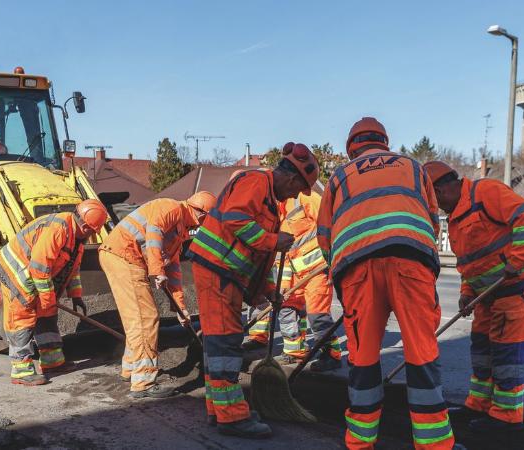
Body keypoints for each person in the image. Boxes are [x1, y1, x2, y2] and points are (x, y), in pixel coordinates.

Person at [317, 118, 457, 449]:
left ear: (351, 147)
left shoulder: (340, 176)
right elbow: (431, 220)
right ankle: (434, 443)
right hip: (411, 261)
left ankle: (360, 442)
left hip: (357, 270)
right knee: (421, 351)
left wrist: (342, 272)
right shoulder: (413, 167)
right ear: (384, 141)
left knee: (364, 356)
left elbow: (325, 237)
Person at [187, 142, 318, 439]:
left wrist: (267, 292)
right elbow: (235, 219)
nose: (297, 195)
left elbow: (257, 259)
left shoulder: (271, 201)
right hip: (217, 271)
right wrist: (274, 241)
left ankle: (218, 409)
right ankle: (232, 417)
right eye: (299, 188)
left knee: (219, 345)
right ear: (292, 178)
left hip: (228, 275)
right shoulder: (257, 181)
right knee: (225, 345)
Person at [423, 160, 524, 433]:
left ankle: (506, 417)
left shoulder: (485, 193)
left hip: (517, 288)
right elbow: (470, 262)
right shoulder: (455, 219)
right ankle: (477, 404)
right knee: (481, 349)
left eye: (434, 200)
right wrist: (467, 293)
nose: (437, 207)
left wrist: (518, 259)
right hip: (487, 296)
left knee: (506, 352)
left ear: (441, 190)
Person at [99, 192, 218, 399]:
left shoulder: (180, 229)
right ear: (201, 214)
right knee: (146, 318)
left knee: (138, 318)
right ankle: (144, 382)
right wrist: (156, 271)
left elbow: (173, 269)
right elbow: (153, 235)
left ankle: (131, 369)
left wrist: (180, 309)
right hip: (123, 255)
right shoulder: (171, 208)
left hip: (123, 256)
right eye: (208, 220)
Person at [0, 199, 108, 386]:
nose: (94, 234)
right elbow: (39, 267)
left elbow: (71, 269)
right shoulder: (57, 229)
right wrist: (47, 299)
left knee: (48, 314)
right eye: (94, 231)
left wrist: (75, 295)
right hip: (16, 271)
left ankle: (52, 362)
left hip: (35, 272)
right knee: (22, 317)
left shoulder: (77, 239)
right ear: (85, 227)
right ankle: (21, 370)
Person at [244, 189, 343, 372]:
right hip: (295, 273)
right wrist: (282, 286)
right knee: (286, 308)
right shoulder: (275, 214)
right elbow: (285, 254)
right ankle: (295, 350)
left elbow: (332, 224)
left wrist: (333, 261)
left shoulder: (304, 198)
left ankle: (332, 354)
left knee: (317, 314)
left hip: (317, 270)